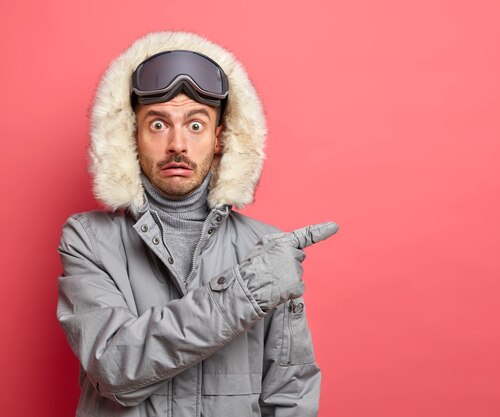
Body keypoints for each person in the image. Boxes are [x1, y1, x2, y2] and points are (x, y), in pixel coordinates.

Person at [56, 31, 337, 417]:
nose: (177, 144)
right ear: (131, 136)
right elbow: (114, 368)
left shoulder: (266, 248)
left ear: (220, 138)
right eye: (157, 125)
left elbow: (290, 392)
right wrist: (248, 290)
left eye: (195, 125)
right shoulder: (87, 238)